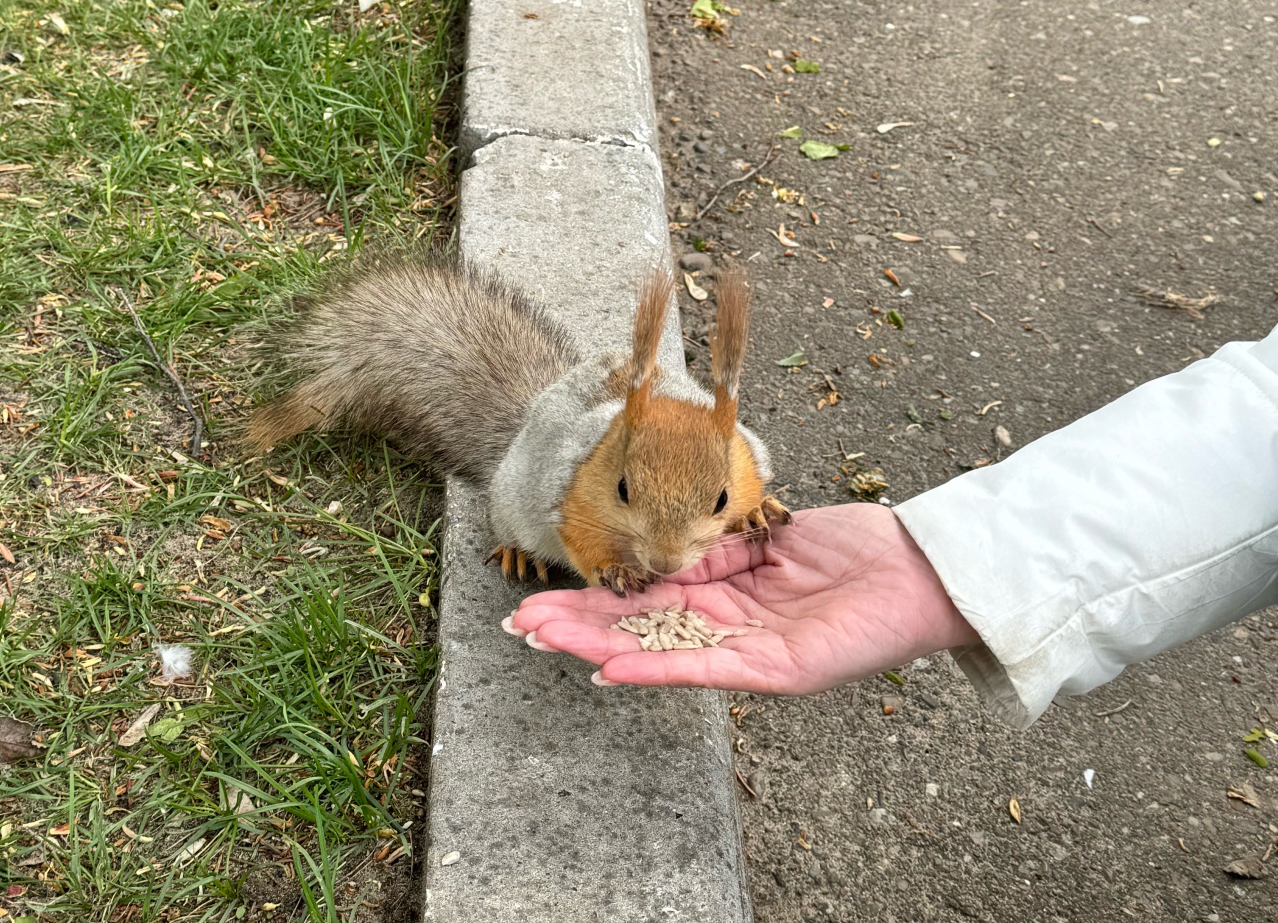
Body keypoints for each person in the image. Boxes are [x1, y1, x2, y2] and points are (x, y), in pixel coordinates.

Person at [506, 325, 1278, 727]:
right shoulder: (597, 456)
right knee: (518, 504)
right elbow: (563, 507)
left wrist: (751, 510)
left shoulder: (731, 452)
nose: (676, 561)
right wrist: (603, 562)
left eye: (719, 506)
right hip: (565, 487)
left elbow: (748, 470)